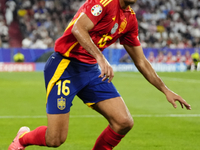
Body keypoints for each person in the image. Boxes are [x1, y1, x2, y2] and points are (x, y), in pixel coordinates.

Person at [8, 0, 191, 150]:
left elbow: (141, 61)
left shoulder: (130, 20)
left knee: (123, 121)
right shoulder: (103, 3)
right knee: (55, 139)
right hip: (65, 66)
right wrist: (101, 58)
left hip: (90, 70)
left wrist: (165, 90)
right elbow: (78, 29)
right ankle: (23, 139)